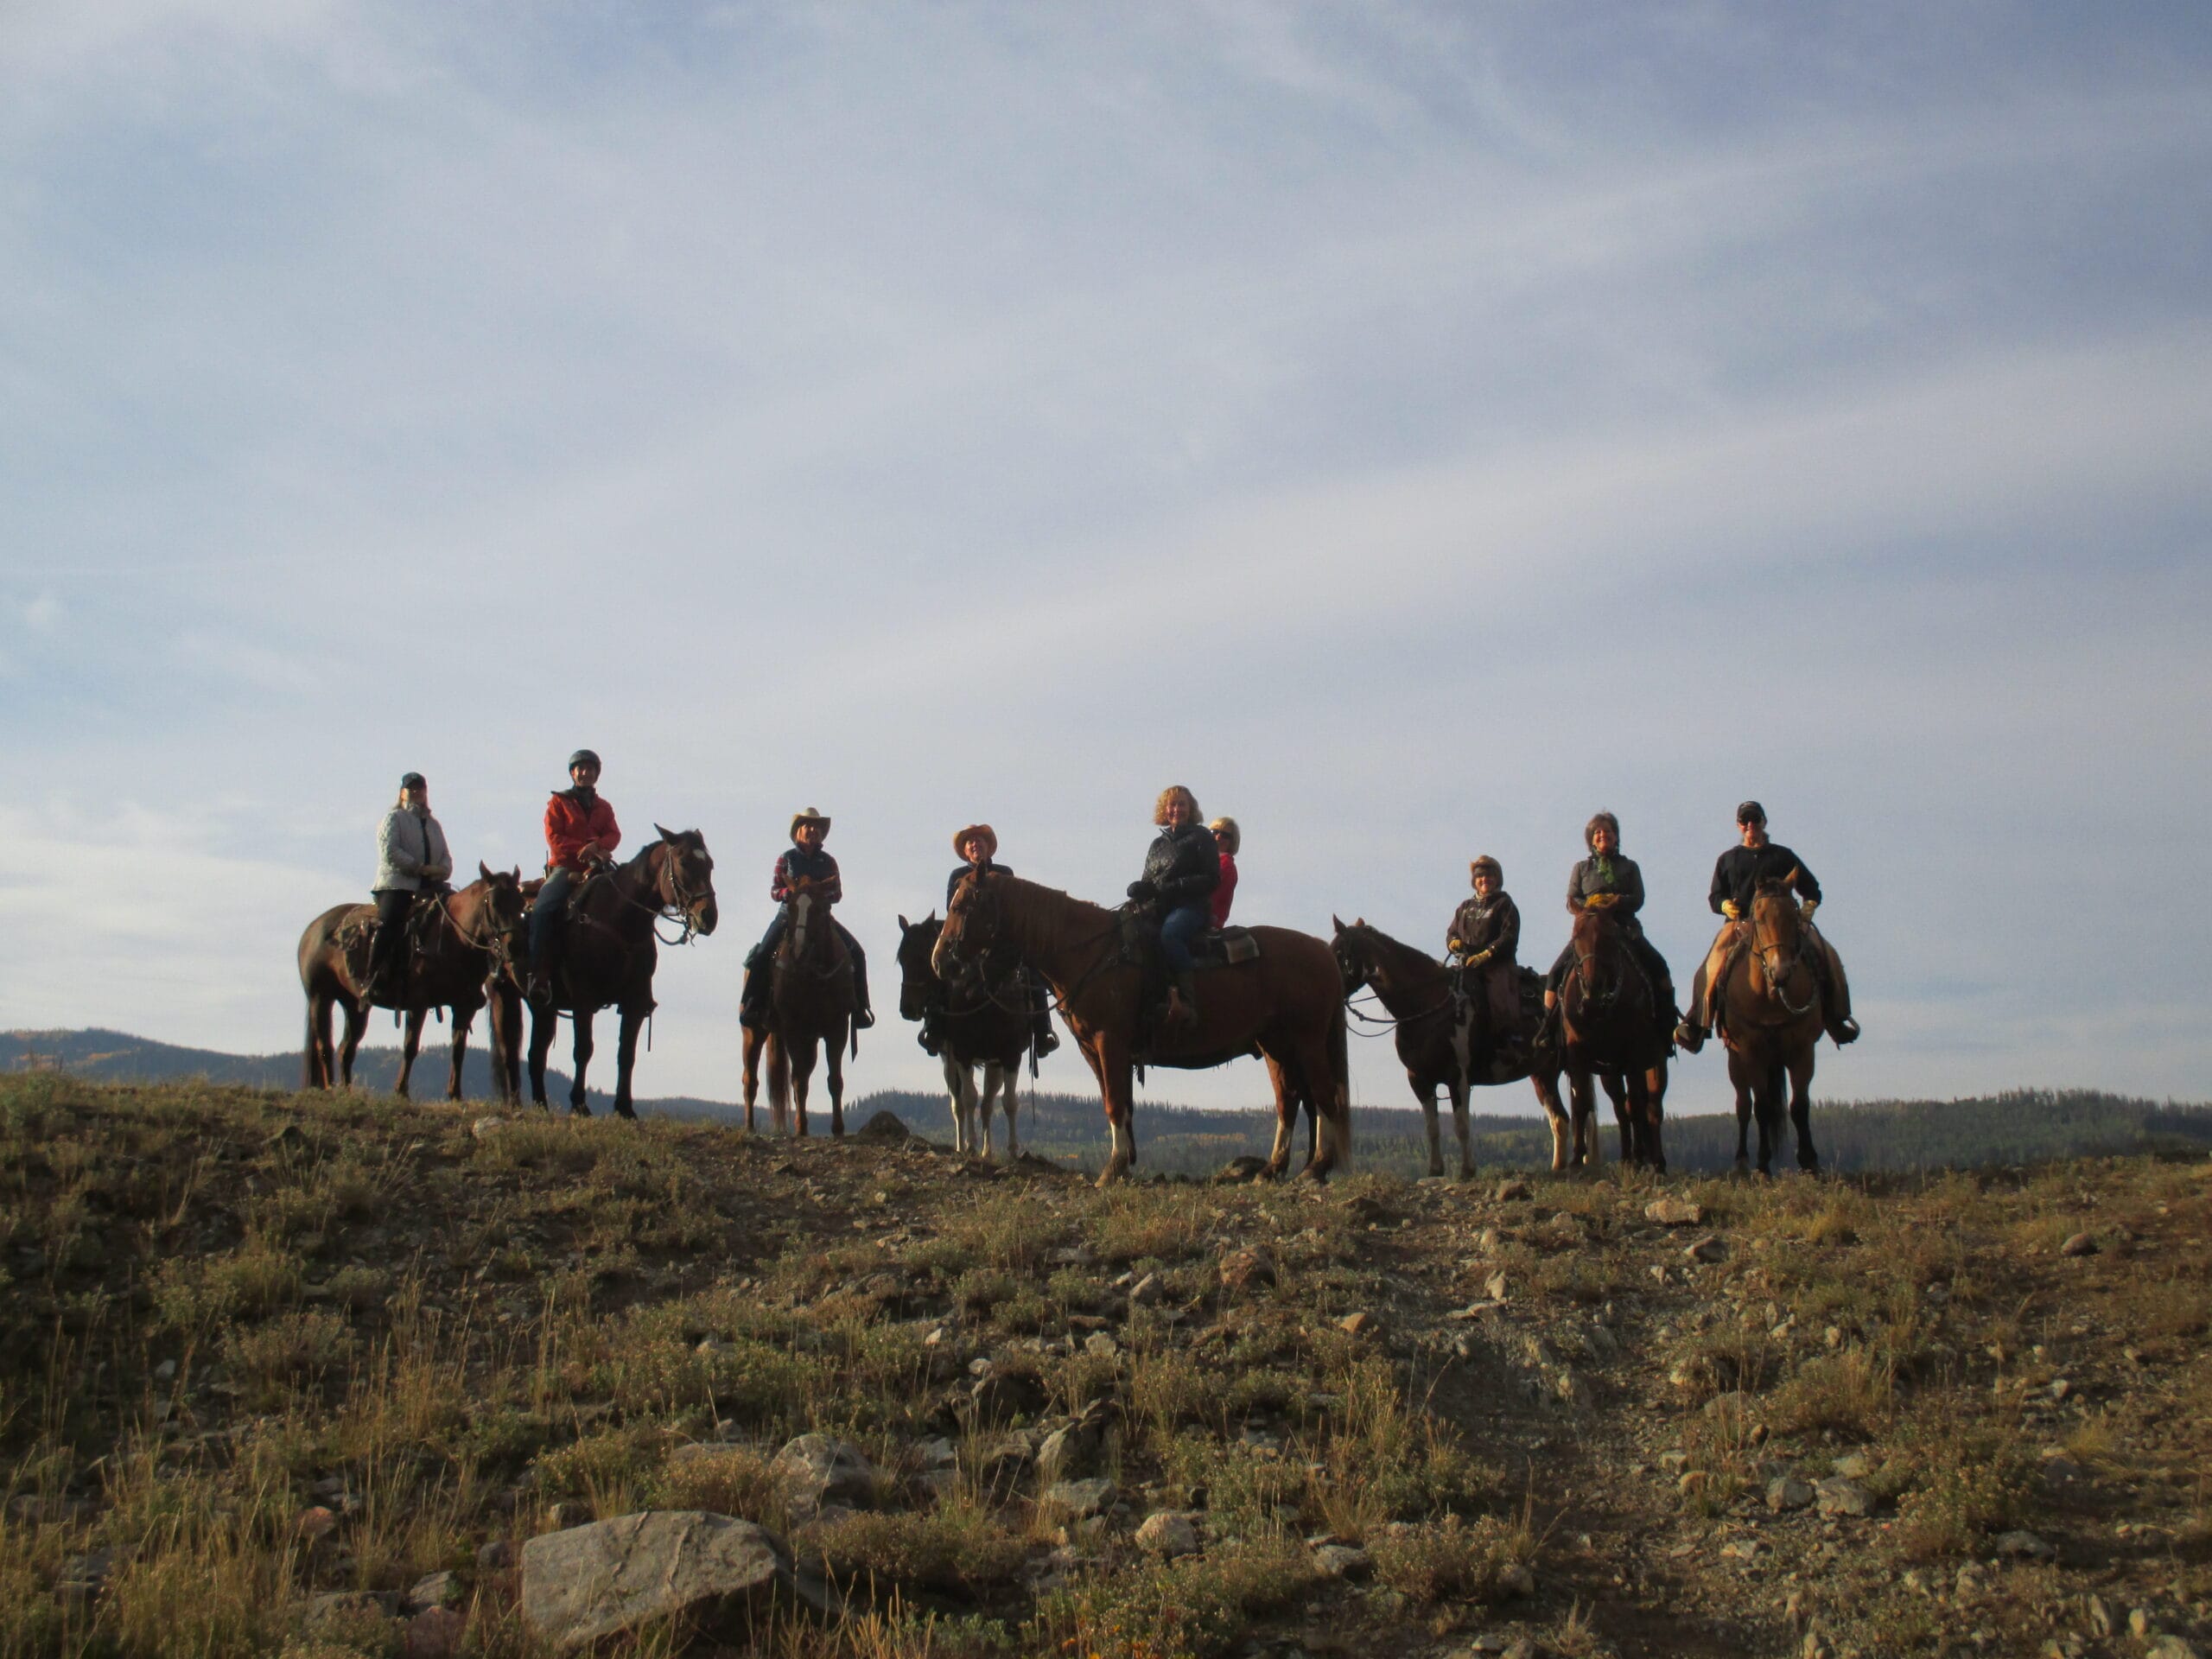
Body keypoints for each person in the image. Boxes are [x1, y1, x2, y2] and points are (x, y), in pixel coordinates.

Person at [1677, 801, 1859, 1050]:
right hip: (1740, 925)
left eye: (1755, 819)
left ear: (1764, 821)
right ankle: (1698, 1023)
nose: (1750, 824)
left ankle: (1837, 1017)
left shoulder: (1783, 856)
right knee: (1711, 964)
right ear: (1738, 825)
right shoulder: (1728, 859)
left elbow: (1811, 887)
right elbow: (1715, 896)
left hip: (1782, 925)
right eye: (1744, 820)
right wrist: (1724, 906)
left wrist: (1809, 906)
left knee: (1827, 953)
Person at [1537, 811, 1680, 1046]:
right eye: (1598, 832)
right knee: (1555, 974)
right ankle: (1547, 1030)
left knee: (1658, 965)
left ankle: (1668, 1024)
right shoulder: (1581, 868)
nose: (1603, 835)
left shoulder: (1630, 866)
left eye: (1608, 831)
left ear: (1616, 837)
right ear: (1591, 839)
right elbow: (1572, 899)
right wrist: (1591, 904)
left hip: (1623, 926)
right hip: (1589, 929)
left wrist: (1615, 901)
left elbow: (1638, 898)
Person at [739, 808, 874, 1031]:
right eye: (808, 826)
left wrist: (817, 897)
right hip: (788, 916)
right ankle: (752, 1003)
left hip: (820, 918)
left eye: (817, 827)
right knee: (763, 953)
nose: (812, 830)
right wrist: (791, 895)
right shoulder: (786, 858)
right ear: (798, 831)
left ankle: (860, 1009)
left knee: (857, 953)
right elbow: (775, 890)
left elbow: (837, 893)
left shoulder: (828, 862)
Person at [935, 823, 1057, 1058]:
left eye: (980, 840)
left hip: (1002, 943)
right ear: (966, 851)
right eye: (970, 842)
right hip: (968, 940)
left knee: (1033, 972)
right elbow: (953, 909)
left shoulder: (1004, 872)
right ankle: (934, 1028)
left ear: (989, 847)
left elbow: (1015, 907)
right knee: (940, 971)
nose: (975, 844)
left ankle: (1043, 1033)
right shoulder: (957, 876)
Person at [1125, 785, 1219, 1027]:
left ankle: (1187, 1001)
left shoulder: (1201, 837)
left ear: (1191, 809)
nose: (1177, 809)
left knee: (1170, 934)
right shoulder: (1158, 844)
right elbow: (1149, 880)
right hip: (1159, 908)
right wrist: (1140, 890)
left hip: (1191, 907)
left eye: (1182, 804)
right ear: (1164, 810)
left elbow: (1211, 878)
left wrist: (1174, 886)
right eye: (1172, 805)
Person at [527, 749, 620, 994]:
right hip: (565, 868)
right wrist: (583, 849)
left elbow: (614, 834)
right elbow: (554, 837)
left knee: (626, 900)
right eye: (581, 769)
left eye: (591, 769)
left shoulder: (604, 807)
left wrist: (598, 847)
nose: (586, 773)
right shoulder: (559, 802)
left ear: (596, 774)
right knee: (542, 910)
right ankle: (538, 975)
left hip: (597, 867)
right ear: (573, 773)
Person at [365, 772, 453, 1002]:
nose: (416, 792)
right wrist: (418, 868)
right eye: (411, 789)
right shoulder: (393, 818)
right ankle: (373, 977)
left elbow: (445, 856)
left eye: (419, 788)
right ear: (402, 792)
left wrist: (441, 870)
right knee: (390, 922)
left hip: (431, 886)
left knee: (457, 915)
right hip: (397, 884)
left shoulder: (433, 825)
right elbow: (390, 851)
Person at [1446, 855, 1524, 1065]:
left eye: (1489, 876)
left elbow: (1509, 935)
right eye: (1480, 876)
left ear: (1497, 879)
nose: (1485, 880)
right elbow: (1452, 932)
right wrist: (1453, 941)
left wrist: (1487, 953)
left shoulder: (1505, 905)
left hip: (1497, 964)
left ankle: (1510, 1041)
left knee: (1499, 996)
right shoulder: (1464, 907)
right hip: (1467, 965)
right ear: (1475, 880)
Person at [1208, 817, 1241, 928]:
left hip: (1208, 918)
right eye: (1214, 832)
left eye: (1225, 835)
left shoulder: (1227, 865)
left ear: (1232, 842)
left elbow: (1213, 896)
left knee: (1172, 934)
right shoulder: (1199, 858)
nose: (1218, 837)